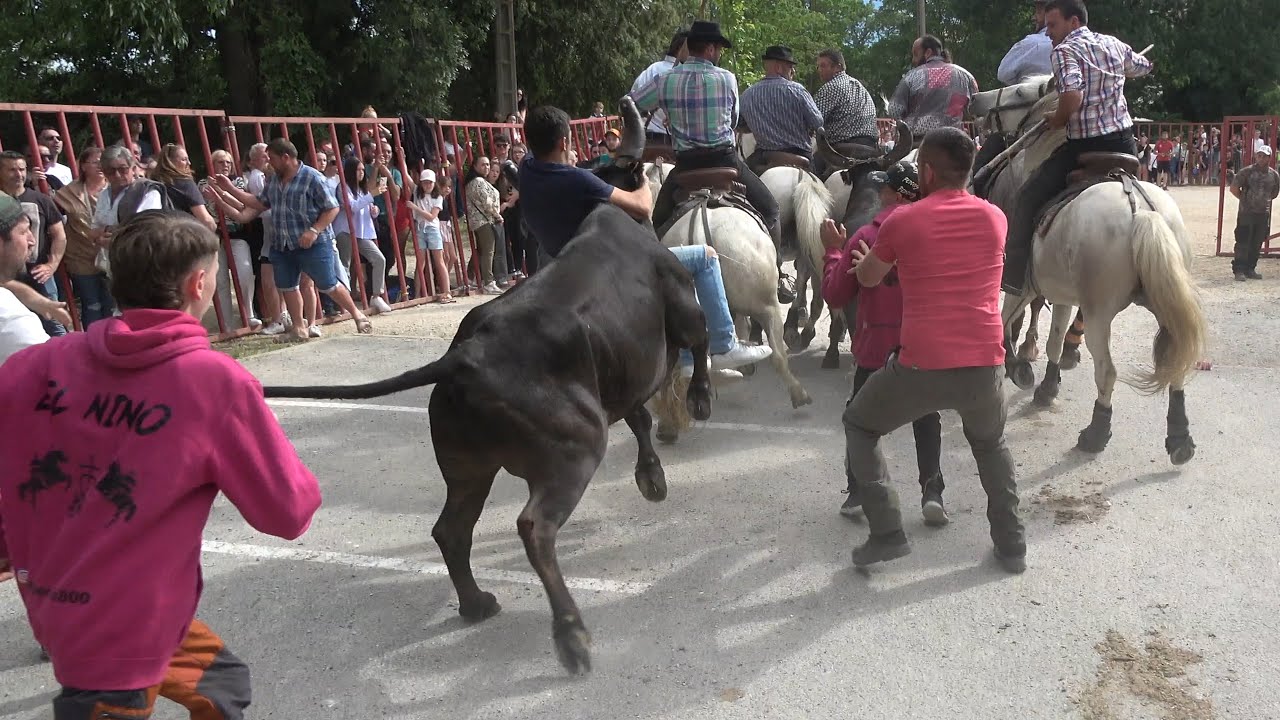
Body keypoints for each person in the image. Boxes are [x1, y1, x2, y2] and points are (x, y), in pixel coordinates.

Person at [0, 211, 322, 719]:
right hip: (113, 634)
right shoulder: (213, 382)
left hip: (95, 604)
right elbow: (287, 513)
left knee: (222, 686)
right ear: (199, 284)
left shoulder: (31, 366)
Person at [840, 127, 1025, 574]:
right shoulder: (994, 218)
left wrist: (861, 257)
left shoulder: (904, 220)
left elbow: (866, 278)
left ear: (924, 171)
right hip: (984, 363)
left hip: (921, 364)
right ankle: (1012, 545)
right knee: (991, 444)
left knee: (860, 425)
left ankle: (886, 531)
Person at [518, 104, 772, 375]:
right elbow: (640, 207)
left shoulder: (526, 169)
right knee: (704, 257)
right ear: (564, 142)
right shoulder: (575, 180)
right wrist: (642, 183)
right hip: (611, 268)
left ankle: (690, 356)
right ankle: (722, 344)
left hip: (565, 263)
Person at [820, 161, 948, 526]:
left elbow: (834, 293)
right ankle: (933, 491)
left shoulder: (864, 237)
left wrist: (832, 251)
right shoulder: (935, 234)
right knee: (927, 415)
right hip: (921, 346)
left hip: (875, 348)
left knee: (859, 419)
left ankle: (860, 491)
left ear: (886, 193)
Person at [630, 20, 792, 305]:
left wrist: (668, 111)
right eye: (718, 47)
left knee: (653, 225)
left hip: (686, 166)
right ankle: (778, 273)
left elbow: (631, 103)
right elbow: (731, 120)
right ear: (709, 48)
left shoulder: (665, 79)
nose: (720, 53)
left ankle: (647, 279)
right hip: (725, 160)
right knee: (772, 209)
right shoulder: (727, 78)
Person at [1003, 0, 1153, 293]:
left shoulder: (1065, 51)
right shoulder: (1114, 44)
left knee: (1027, 198)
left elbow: (1072, 97)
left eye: (1053, 25)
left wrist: (1057, 119)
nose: (1048, 33)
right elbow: (1142, 66)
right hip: (1124, 144)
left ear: (1074, 22)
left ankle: (1013, 279)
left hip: (1084, 147)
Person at [210, 138, 373, 341]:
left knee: (328, 283)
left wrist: (314, 230)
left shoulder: (312, 178)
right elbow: (259, 203)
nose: (269, 163)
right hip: (282, 244)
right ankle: (298, 328)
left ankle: (357, 315)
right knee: (288, 286)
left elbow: (332, 208)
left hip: (313, 243)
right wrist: (229, 188)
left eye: (272, 158)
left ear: (286, 158)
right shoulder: (274, 180)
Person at [739, 45, 824, 175]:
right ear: (778, 68)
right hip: (800, 156)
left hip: (765, 157)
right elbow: (818, 122)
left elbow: (740, 126)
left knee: (741, 183)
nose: (793, 71)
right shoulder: (798, 90)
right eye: (790, 67)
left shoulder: (747, 95)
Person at [886, 35, 979, 141]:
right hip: (953, 140)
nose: (913, 60)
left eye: (916, 55)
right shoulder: (966, 76)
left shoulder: (912, 76)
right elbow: (976, 108)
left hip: (918, 141)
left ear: (928, 52)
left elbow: (894, 109)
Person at [812, 48, 879, 178]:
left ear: (838, 67)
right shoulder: (860, 87)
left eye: (823, 66)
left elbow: (813, 120)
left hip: (840, 150)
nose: (819, 70)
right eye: (818, 67)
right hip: (871, 148)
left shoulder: (830, 87)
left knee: (808, 174)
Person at [0, 193, 49, 362]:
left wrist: (37, 300)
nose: (32, 240)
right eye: (23, 231)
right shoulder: (11, 321)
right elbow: (51, 372)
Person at [631, 29, 690, 145]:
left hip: (645, 141)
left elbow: (631, 102)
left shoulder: (651, 69)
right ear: (681, 49)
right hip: (671, 144)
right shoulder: (682, 76)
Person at [1229, 145, 1280, 281]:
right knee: (1242, 241)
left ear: (1270, 157)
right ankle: (1239, 270)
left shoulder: (1274, 175)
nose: (1261, 158)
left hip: (1263, 213)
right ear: (1256, 156)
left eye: (1265, 156)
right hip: (1246, 213)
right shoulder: (1246, 172)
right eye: (1259, 155)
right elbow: (1234, 188)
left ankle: (1250, 268)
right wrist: (1245, 199)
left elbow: (1274, 193)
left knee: (1257, 242)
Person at [997, 1, 1053, 85]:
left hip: (1032, 96)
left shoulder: (1031, 43)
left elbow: (1003, 74)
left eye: (1038, 12)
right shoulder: (1076, 43)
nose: (1033, 18)